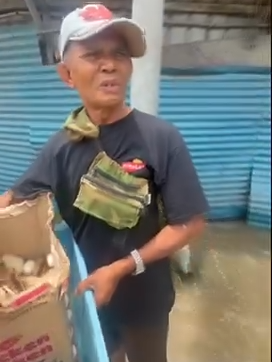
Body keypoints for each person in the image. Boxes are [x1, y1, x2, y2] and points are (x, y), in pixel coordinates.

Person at [0, 4, 208, 362]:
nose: (109, 65)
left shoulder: (161, 137)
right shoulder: (60, 149)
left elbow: (189, 223)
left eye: (119, 54)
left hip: (146, 299)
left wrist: (123, 266)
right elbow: (13, 203)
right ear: (67, 74)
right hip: (88, 296)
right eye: (93, 55)